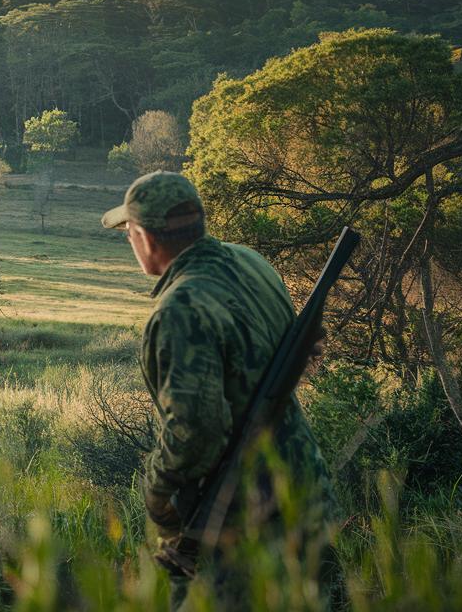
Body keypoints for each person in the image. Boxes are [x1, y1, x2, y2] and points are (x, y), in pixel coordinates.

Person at [101, 171, 343, 610]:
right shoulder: (252, 263)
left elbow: (197, 432)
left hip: (238, 528)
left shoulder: (181, 309)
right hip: (307, 492)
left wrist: (156, 493)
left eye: (129, 233)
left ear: (146, 238)